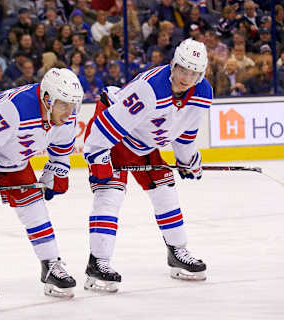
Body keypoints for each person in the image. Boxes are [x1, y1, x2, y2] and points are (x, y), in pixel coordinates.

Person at [82, 39, 212, 293]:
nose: (186, 78)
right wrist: (97, 155)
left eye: (193, 73)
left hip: (145, 143)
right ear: (173, 64)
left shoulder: (202, 92)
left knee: (165, 190)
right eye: (183, 70)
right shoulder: (149, 88)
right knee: (110, 194)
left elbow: (185, 133)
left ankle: (177, 252)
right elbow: (106, 126)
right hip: (114, 138)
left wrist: (187, 161)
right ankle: (98, 264)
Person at [0, 68, 84, 309]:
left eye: (74, 104)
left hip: (12, 152)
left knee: (34, 207)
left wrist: (55, 172)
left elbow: (61, 150)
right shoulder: (15, 109)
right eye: (64, 104)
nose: (70, 111)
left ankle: (50, 265)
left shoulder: (66, 116)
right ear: (47, 99)